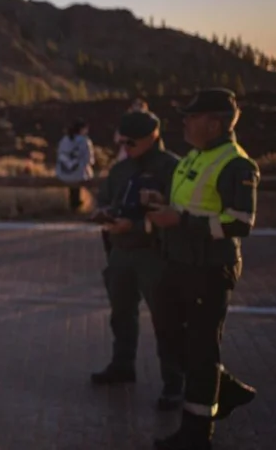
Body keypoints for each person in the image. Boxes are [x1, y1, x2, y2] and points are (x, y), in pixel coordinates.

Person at [144, 88, 258, 450]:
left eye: (192, 117)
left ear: (215, 124)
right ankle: (224, 389)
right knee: (168, 334)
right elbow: (190, 203)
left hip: (209, 270)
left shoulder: (236, 164)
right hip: (178, 263)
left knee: (200, 351)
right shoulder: (194, 156)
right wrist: (163, 204)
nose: (185, 123)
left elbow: (240, 222)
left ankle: (196, 436)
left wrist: (180, 221)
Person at [89, 111, 184, 410]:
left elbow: (179, 213)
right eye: (122, 141)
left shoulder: (173, 168)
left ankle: (174, 382)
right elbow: (106, 197)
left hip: (155, 254)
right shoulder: (121, 169)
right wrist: (104, 213)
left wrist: (139, 225)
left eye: (131, 142)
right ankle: (122, 365)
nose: (125, 147)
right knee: (121, 313)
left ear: (152, 137)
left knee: (166, 320)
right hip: (121, 251)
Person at [56, 118, 95, 210]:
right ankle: (78, 203)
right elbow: (89, 160)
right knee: (82, 176)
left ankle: (74, 203)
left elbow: (60, 156)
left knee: (73, 178)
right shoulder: (85, 141)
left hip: (63, 173)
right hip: (79, 174)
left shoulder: (64, 140)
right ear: (81, 129)